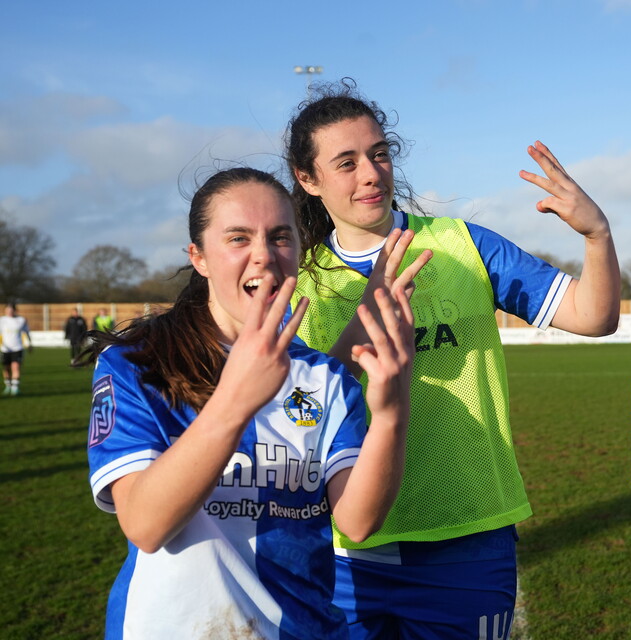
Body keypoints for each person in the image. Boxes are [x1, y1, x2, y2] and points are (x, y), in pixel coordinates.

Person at [285, 79, 621, 639]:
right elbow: (298, 411)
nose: (371, 173)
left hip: (468, 536)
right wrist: (364, 327)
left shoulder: (464, 244)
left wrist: (597, 235)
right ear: (308, 179)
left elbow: (594, 316)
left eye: (379, 154)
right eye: (346, 163)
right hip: (346, 550)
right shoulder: (301, 282)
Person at [84, 167, 415, 639]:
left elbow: (357, 522)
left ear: (299, 252)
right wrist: (235, 401)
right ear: (199, 257)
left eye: (280, 237)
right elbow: (145, 524)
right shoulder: (137, 362)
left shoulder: (324, 376)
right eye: (238, 238)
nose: (264, 256)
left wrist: (389, 414)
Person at [1, 302, 32, 396]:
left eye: (11, 310)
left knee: (16, 367)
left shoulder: (21, 320)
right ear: (5, 310)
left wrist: (29, 344)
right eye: (7, 310)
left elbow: (26, 332)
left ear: (15, 310)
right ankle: (8, 386)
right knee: (6, 368)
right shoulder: (2, 320)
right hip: (5, 349)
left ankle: (15, 388)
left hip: (17, 348)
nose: (9, 311)